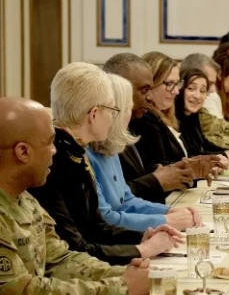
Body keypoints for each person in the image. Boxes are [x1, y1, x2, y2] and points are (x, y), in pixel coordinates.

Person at [0, 97, 150, 295]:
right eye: (50, 142)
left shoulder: (25, 200)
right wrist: (121, 288)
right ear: (23, 152)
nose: (55, 151)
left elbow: (59, 260)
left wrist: (123, 274)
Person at [28, 62, 183, 265]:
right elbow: (73, 246)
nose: (113, 118)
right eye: (112, 110)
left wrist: (142, 237)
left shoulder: (74, 152)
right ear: (94, 114)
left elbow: (96, 226)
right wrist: (141, 249)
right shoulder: (57, 160)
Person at [103, 53, 223, 204]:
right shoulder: (102, 139)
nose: (149, 97)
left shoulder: (129, 127)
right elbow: (112, 203)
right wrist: (157, 181)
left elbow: (136, 182)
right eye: (144, 90)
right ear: (120, 89)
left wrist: (188, 168)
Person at [87, 74, 201, 232]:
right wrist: (166, 220)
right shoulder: (86, 154)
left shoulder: (110, 146)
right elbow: (105, 218)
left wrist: (169, 211)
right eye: (128, 108)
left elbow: (127, 201)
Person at [176, 68, 229, 160]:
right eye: (191, 88)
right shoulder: (174, 118)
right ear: (180, 89)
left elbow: (205, 144)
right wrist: (226, 155)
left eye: (202, 91)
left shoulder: (193, 115)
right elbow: (191, 156)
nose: (197, 96)